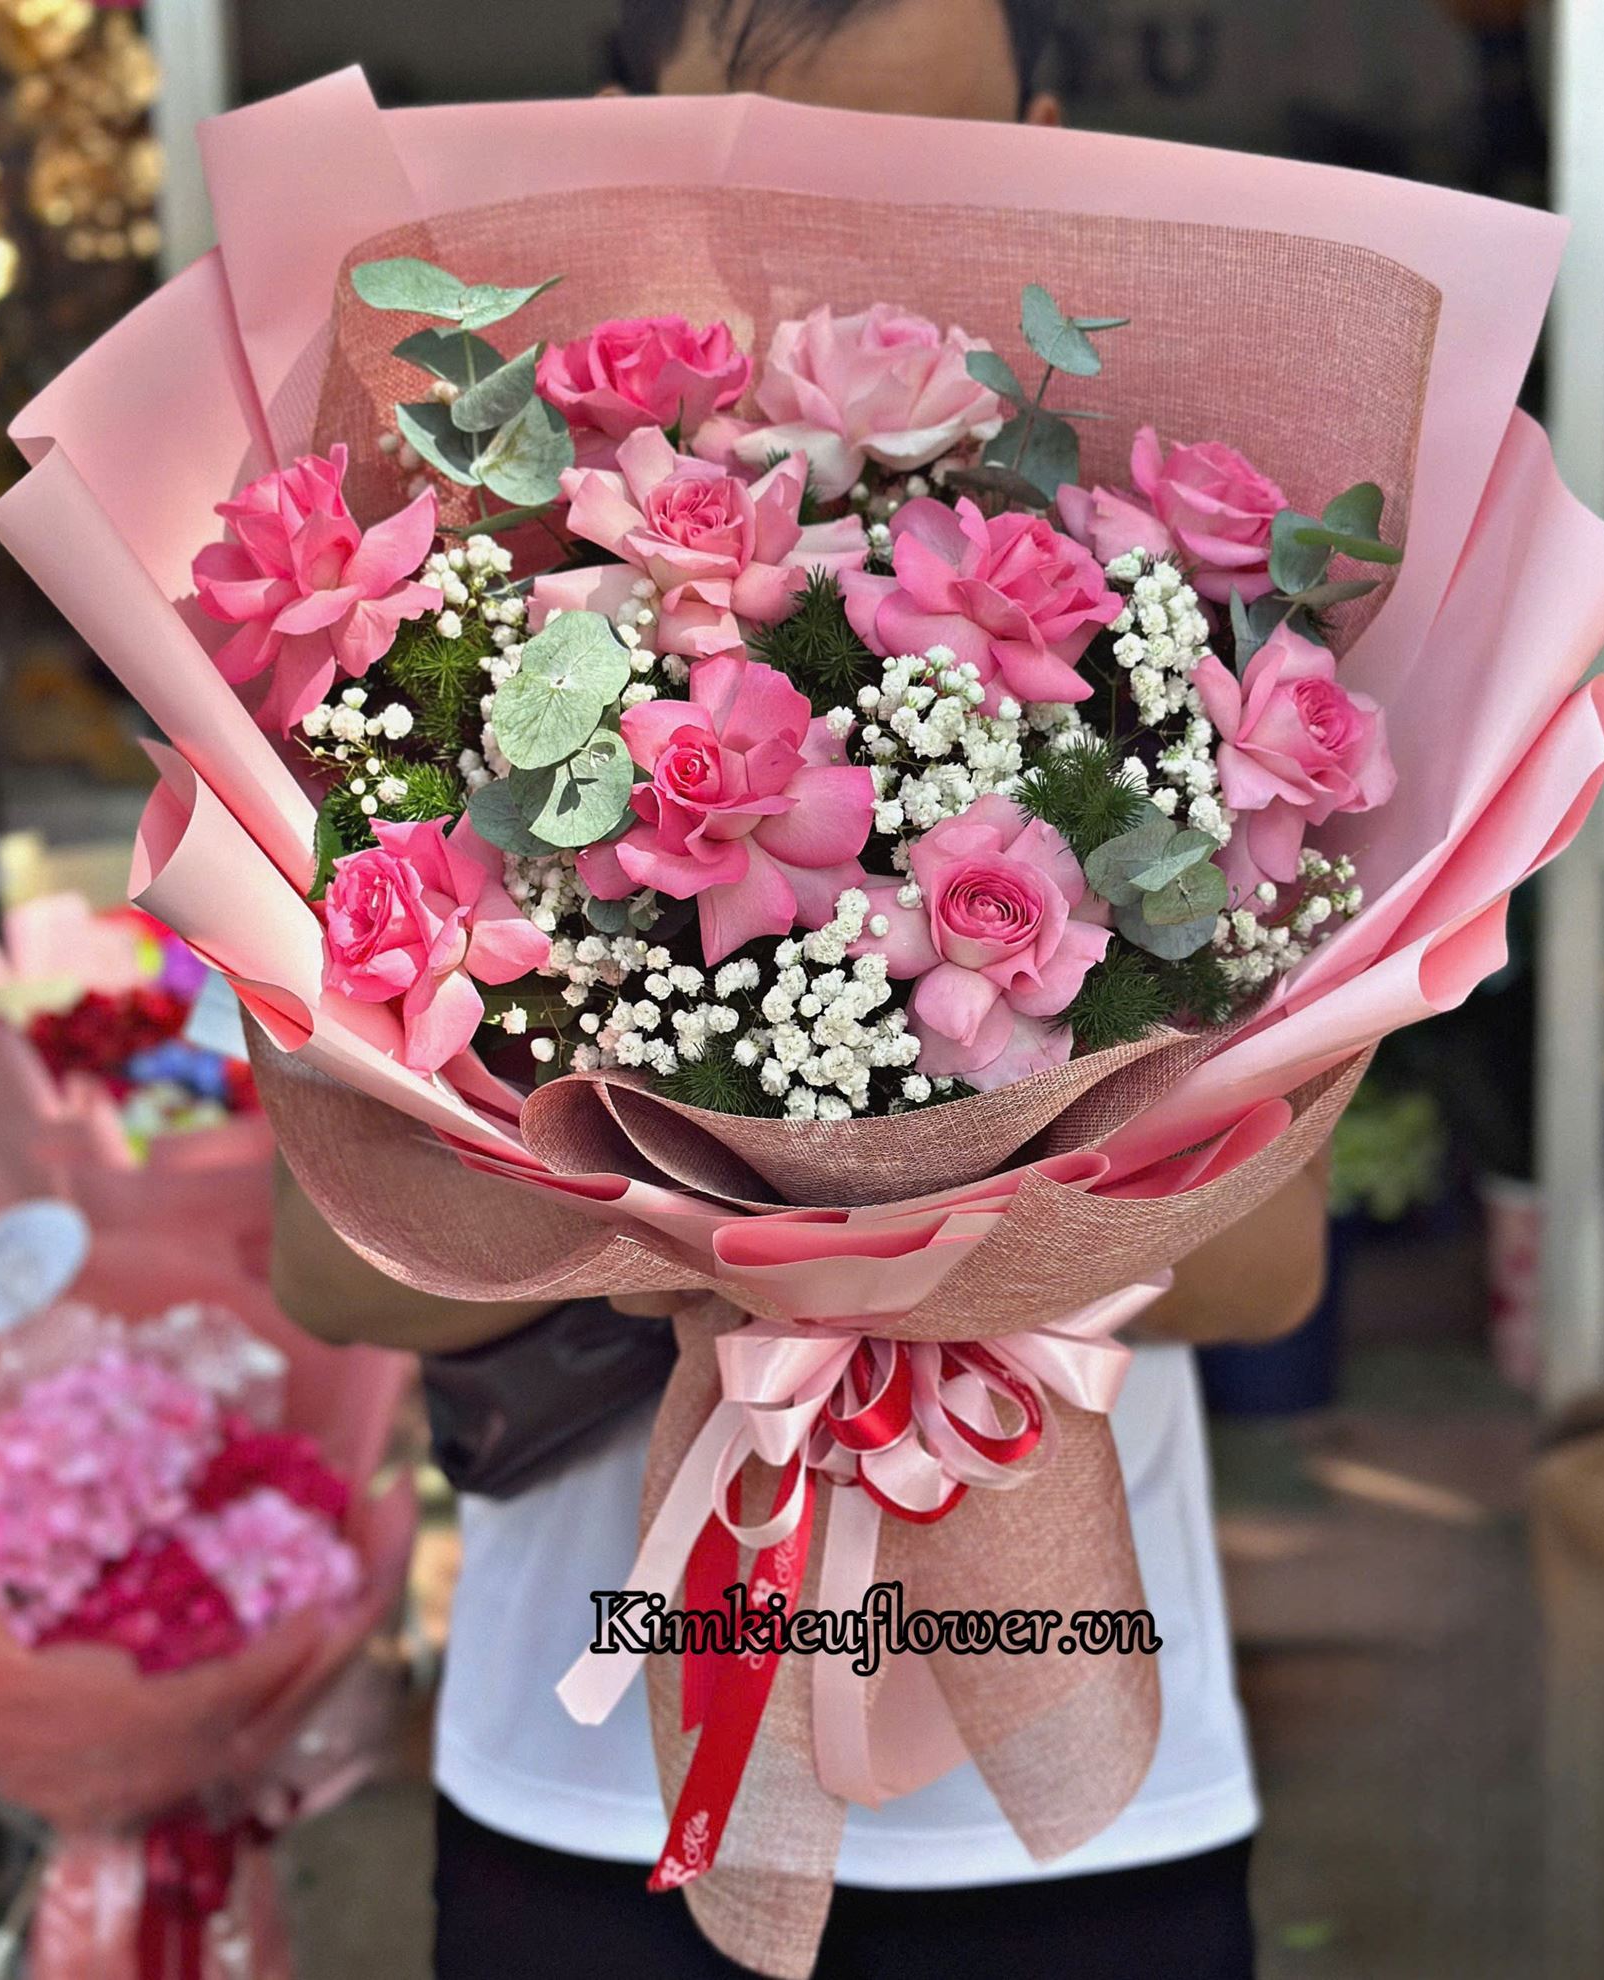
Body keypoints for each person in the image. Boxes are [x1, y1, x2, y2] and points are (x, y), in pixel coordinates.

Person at [275, 4, 1332, 1972]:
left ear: (1047, 139)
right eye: (768, 171)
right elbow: (339, 1268)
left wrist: (742, 1223)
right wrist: (781, 1219)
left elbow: (1266, 1267)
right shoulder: (446, 596)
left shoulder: (1192, 618)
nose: (850, 256)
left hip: (1078, 1794)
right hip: (589, 1774)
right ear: (620, 128)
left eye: (931, 182)